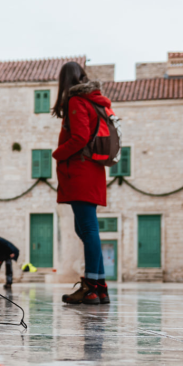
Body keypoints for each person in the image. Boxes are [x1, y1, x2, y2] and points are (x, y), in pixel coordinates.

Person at [52, 62, 110, 305]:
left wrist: (57, 153)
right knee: (86, 229)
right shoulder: (95, 101)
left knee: (87, 229)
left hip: (80, 171)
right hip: (92, 170)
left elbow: (80, 137)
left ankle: (92, 287)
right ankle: (100, 287)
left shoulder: (76, 102)